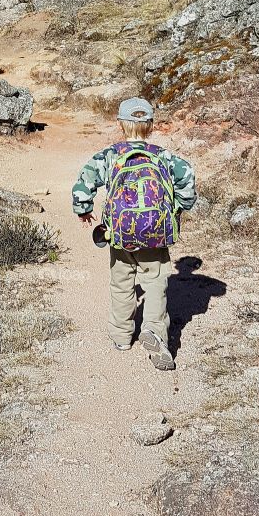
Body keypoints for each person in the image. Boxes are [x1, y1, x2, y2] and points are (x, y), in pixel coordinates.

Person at [72, 97, 197, 371]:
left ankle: (121, 336)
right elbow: (187, 176)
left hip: (120, 232)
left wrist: (83, 208)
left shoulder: (111, 154)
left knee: (121, 282)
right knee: (154, 282)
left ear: (120, 124)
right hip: (155, 231)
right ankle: (153, 330)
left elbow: (85, 180)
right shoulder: (162, 155)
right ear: (150, 125)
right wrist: (180, 206)